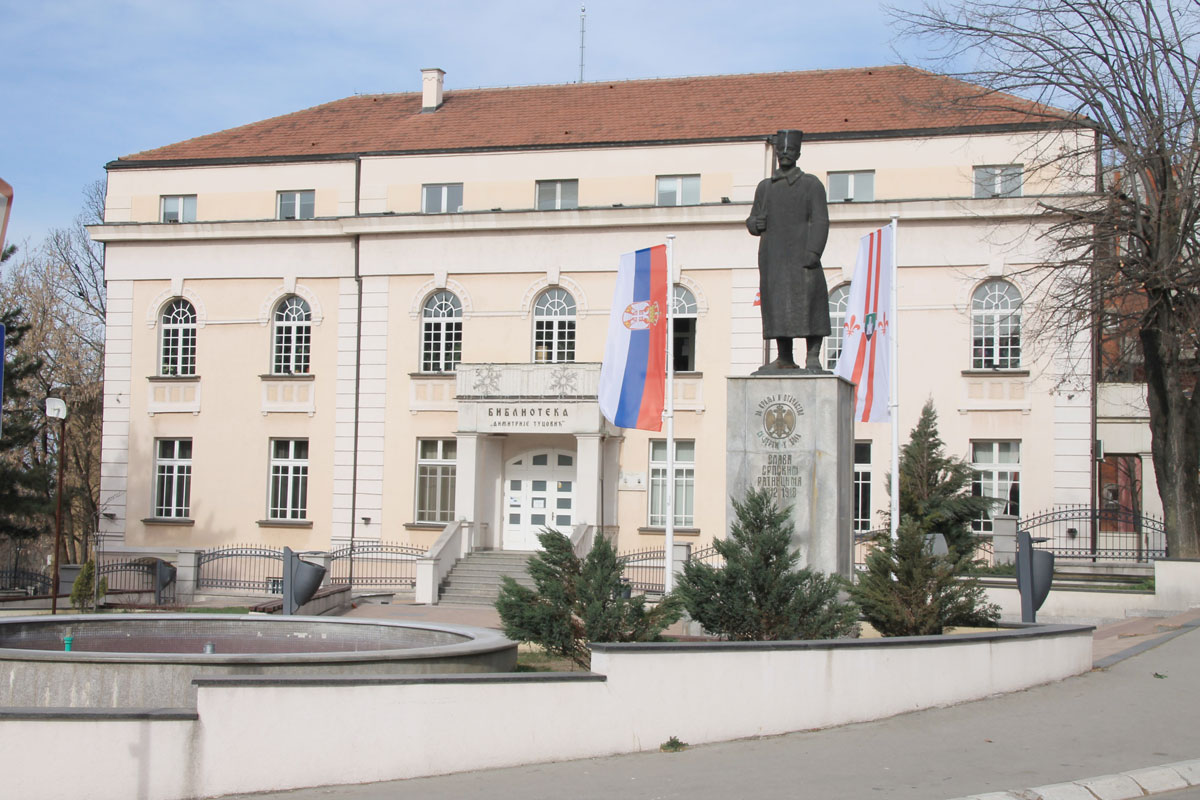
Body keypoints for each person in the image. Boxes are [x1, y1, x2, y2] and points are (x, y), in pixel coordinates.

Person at [746, 129, 831, 371]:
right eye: (781, 150)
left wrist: (813, 252)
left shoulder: (811, 184)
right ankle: (784, 357)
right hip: (773, 257)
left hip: (803, 255)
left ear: (798, 153)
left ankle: (812, 356)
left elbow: (821, 220)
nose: (785, 154)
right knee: (778, 304)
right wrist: (754, 224)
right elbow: (753, 219)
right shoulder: (765, 187)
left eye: (790, 150)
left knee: (810, 303)